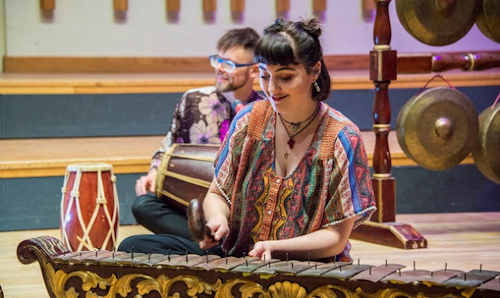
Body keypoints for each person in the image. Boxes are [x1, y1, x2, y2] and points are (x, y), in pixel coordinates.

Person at [120, 18, 375, 262]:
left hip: (305, 265)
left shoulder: (342, 138)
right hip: (239, 257)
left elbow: (335, 238)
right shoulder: (248, 120)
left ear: (314, 70)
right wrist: (217, 219)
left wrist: (275, 249)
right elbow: (217, 193)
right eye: (265, 76)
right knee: (133, 248)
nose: (272, 89)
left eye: (285, 77)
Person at [132, 27, 262, 239]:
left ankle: (207, 242)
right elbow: (169, 145)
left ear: (254, 71)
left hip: (236, 212)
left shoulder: (263, 110)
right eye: (217, 60)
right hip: (191, 204)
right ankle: (211, 242)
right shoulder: (194, 100)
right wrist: (155, 171)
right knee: (143, 205)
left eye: (229, 64)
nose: (220, 68)